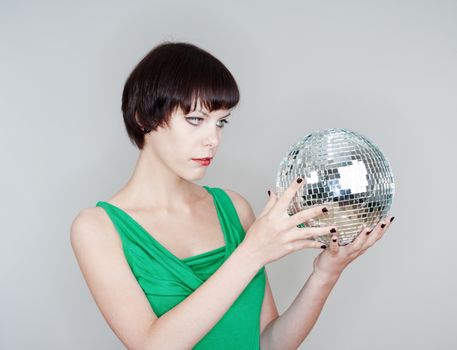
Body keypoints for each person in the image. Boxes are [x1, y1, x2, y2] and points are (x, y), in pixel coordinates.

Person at [70, 42, 395, 350]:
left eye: (221, 122)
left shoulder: (233, 208)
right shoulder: (98, 228)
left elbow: (268, 343)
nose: (213, 139)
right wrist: (252, 253)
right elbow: (153, 345)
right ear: (144, 118)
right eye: (196, 120)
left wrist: (326, 274)